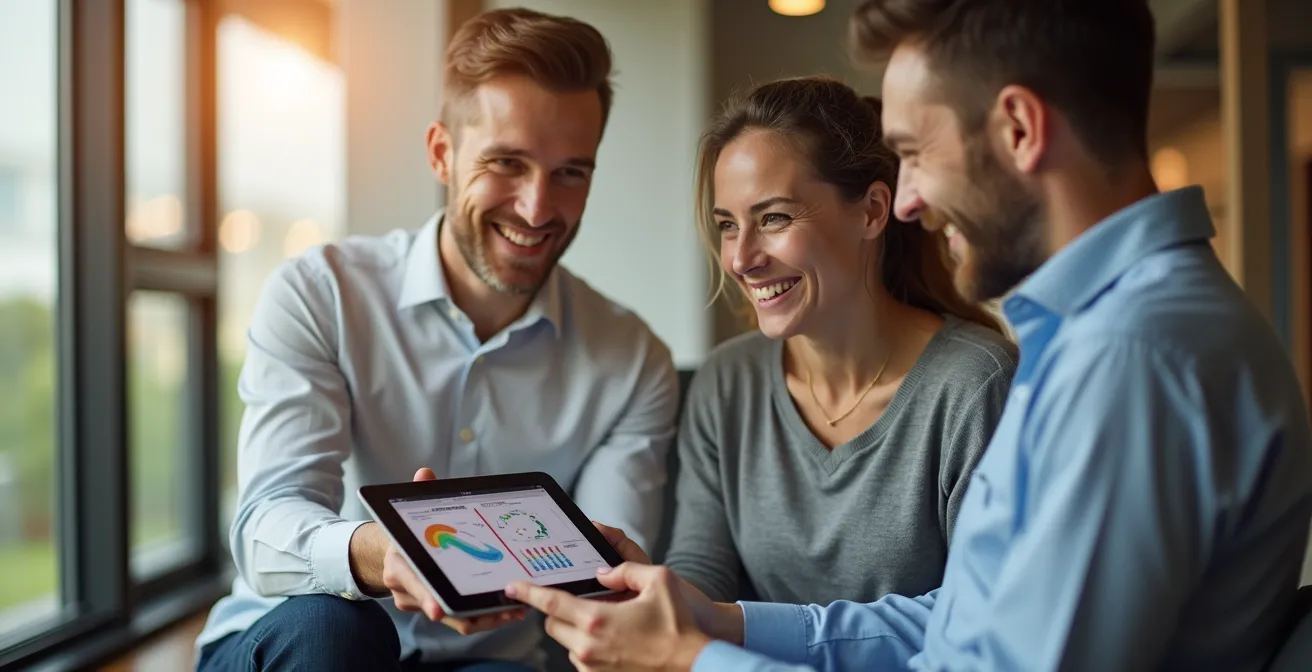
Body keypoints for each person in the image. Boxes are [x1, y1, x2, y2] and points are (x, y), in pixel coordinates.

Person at [505, 1, 1312, 670]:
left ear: (1020, 130)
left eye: (916, 155)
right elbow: (959, 627)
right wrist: (714, 623)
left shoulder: (1132, 362)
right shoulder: (1098, 336)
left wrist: (694, 659)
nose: (911, 202)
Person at [194, 8, 679, 671]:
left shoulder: (633, 360)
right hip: (301, 639)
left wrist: (610, 573)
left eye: (571, 172)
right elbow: (264, 532)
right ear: (441, 154)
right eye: (507, 163)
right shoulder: (322, 293)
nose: (538, 208)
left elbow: (602, 589)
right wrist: (382, 555)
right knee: (336, 633)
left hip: (485, 659)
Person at [662, 75, 1016, 611]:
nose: (741, 258)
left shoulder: (975, 384)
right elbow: (703, 569)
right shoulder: (727, 381)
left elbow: (979, 618)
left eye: (774, 218)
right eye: (728, 225)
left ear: (873, 210)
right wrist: (650, 597)